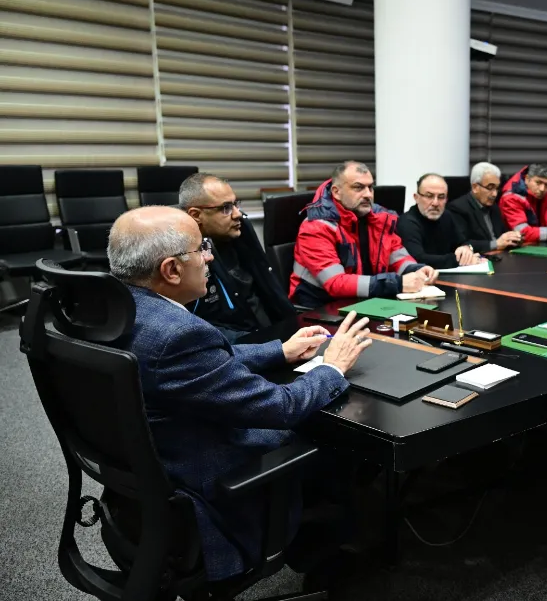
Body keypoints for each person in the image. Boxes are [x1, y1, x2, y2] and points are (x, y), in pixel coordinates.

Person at [107, 206, 373, 582]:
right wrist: (333, 366)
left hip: (148, 475)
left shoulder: (118, 309)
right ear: (171, 270)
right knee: (336, 442)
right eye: (200, 249)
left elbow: (201, 364)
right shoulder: (178, 336)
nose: (209, 256)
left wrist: (279, 350)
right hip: (204, 485)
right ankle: (324, 549)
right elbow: (280, 407)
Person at [290, 162, 437, 308]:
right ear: (336, 192)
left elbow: (397, 257)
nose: (368, 194)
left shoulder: (378, 218)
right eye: (358, 187)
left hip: (363, 303)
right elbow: (336, 283)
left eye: (370, 187)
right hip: (320, 310)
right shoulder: (316, 227)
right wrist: (397, 283)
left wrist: (416, 270)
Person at [179, 173, 295, 341]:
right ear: (196, 215)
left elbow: (270, 292)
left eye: (235, 204)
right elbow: (196, 329)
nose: (237, 213)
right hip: (237, 348)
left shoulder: (241, 233)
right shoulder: (183, 256)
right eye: (226, 208)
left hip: (274, 335)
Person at [397, 173, 485, 269]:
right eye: (429, 196)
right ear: (416, 198)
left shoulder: (446, 216)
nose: (435, 203)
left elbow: (462, 242)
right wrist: (458, 260)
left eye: (441, 197)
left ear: (446, 199)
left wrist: (466, 249)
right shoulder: (407, 222)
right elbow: (418, 259)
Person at [447, 162, 522, 253]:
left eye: (497, 188)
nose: (495, 194)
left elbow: (502, 234)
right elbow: (463, 245)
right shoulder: (458, 208)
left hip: (500, 256)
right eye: (490, 188)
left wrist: (513, 237)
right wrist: (496, 244)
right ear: (475, 187)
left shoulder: (494, 207)